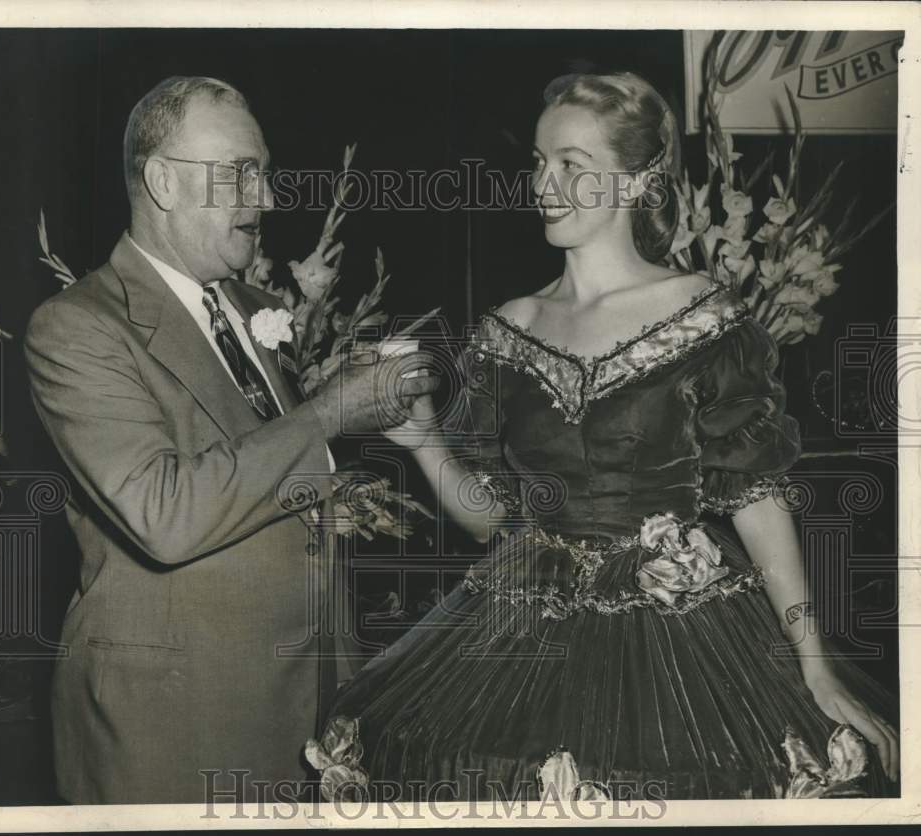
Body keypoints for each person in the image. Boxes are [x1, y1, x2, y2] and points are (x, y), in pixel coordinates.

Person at [307, 72, 899, 801]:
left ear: (637, 181)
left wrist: (812, 661)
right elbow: (492, 519)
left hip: (682, 632)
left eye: (571, 165)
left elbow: (756, 495)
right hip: (523, 618)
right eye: (538, 160)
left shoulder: (703, 314)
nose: (543, 183)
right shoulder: (508, 328)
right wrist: (424, 442)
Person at [24, 76, 438, 804]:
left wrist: (346, 407)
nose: (269, 199)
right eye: (241, 173)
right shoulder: (77, 327)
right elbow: (166, 514)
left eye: (266, 173)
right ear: (161, 181)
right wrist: (327, 414)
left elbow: (257, 478)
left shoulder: (255, 308)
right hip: (172, 730)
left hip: (304, 718)